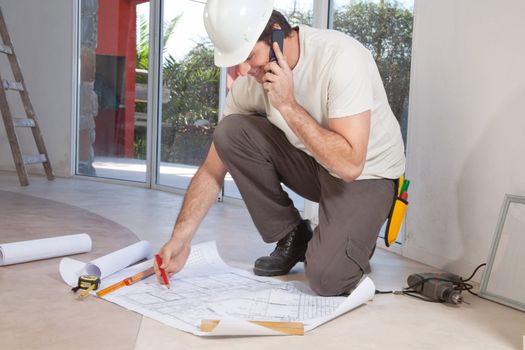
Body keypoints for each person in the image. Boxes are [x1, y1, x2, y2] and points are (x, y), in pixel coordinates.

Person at [154, 0, 405, 296]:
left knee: (327, 279)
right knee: (230, 132)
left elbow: (350, 165)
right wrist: (181, 238)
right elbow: (212, 169)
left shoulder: (340, 58)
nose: (245, 69)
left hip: (367, 174)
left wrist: (287, 103)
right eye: (237, 61)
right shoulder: (252, 82)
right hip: (316, 166)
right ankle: (293, 235)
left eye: (249, 56)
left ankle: (357, 237)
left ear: (275, 34)